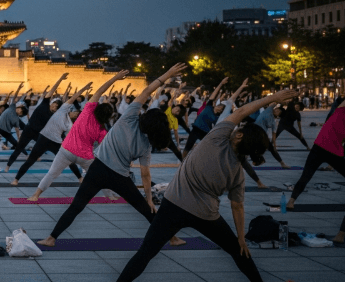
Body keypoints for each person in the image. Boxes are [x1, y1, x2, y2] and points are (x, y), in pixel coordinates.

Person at [116, 88, 298, 282]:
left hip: (173, 205)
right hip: (205, 215)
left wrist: (273, 98)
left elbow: (241, 112)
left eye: (240, 129)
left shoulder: (217, 138)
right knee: (238, 252)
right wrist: (241, 239)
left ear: (238, 136)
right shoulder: (237, 173)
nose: (237, 128)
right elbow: (237, 206)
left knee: (145, 253)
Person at [37, 64, 190, 248]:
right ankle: (172, 238)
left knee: (76, 206)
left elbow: (148, 90)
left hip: (97, 170)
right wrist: (148, 198)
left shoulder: (129, 117)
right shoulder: (146, 145)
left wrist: (167, 74)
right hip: (120, 177)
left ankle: (51, 238)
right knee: (144, 209)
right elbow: (145, 174)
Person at [27, 71, 124, 201]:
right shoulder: (102, 129)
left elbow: (99, 91)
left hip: (66, 150)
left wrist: (115, 78)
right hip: (85, 156)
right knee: (99, 175)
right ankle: (110, 196)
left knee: (52, 174)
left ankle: (35, 195)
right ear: (108, 117)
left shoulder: (87, 112)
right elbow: (105, 147)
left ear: (97, 108)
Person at [286, 98, 345, 246]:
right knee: (305, 175)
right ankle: (341, 234)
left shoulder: (339, 110)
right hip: (333, 152)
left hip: (319, 146)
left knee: (306, 175)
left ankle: (291, 201)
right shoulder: (340, 110)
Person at [10, 83, 85, 185]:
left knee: (68, 159)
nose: (74, 114)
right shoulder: (61, 112)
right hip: (43, 139)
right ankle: (16, 179)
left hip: (56, 142)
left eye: (76, 115)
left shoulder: (69, 124)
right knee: (31, 160)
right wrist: (82, 89)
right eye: (75, 113)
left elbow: (68, 136)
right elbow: (69, 99)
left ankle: (80, 178)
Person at [5, 75, 68, 171]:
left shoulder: (53, 115)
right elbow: (51, 91)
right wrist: (60, 80)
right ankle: (8, 166)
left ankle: (61, 161)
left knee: (47, 147)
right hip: (28, 130)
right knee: (19, 148)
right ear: (52, 103)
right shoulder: (44, 103)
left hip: (38, 133)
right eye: (54, 105)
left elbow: (64, 104)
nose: (54, 108)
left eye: (56, 108)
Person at [182, 77, 229, 155]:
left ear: (221, 111)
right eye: (219, 106)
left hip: (205, 132)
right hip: (196, 129)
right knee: (187, 147)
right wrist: (221, 84)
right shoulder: (209, 106)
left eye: (221, 108)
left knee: (209, 148)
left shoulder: (217, 117)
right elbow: (213, 95)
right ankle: (183, 163)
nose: (219, 108)